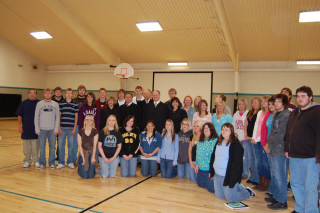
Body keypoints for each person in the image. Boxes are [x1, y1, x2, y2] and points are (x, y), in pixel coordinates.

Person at [285, 86, 320, 213]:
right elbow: (289, 132)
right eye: (298, 96)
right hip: (294, 156)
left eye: (303, 96)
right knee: (296, 185)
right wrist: (287, 148)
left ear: (310, 97)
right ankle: (300, 209)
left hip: (310, 158)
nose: (300, 99)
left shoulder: (316, 112)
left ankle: (311, 210)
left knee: (310, 187)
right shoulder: (294, 113)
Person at [209, 123, 255, 202]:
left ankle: (247, 192)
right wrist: (211, 171)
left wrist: (233, 180)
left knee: (231, 199)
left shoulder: (235, 145)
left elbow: (237, 166)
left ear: (231, 132)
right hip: (217, 174)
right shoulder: (218, 142)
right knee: (220, 196)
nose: (224, 131)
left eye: (226, 130)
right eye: (223, 129)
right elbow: (213, 157)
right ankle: (236, 187)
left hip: (228, 176)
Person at [265, 94, 290, 210]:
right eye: (275, 101)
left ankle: (282, 201)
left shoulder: (286, 115)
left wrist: (270, 145)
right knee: (275, 175)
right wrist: (268, 144)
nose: (276, 103)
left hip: (279, 149)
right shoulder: (277, 114)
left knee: (281, 176)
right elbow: (272, 132)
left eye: (279, 101)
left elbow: (280, 134)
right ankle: (276, 196)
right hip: (273, 148)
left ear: (284, 103)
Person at [34, 88, 60, 170]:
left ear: (51, 94)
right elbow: (36, 117)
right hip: (42, 129)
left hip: (52, 130)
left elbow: (57, 117)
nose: (48, 95)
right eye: (46, 93)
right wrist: (37, 129)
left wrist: (56, 129)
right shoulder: (39, 104)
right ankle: (42, 163)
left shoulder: (55, 104)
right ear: (44, 94)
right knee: (42, 147)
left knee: (52, 147)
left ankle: (52, 163)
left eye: (49, 93)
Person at [251, 95, 271, 191]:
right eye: (262, 101)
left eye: (265, 101)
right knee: (259, 162)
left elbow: (266, 130)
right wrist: (254, 138)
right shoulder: (259, 112)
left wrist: (258, 139)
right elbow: (256, 126)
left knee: (265, 163)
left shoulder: (270, 114)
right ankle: (261, 182)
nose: (263, 103)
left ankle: (267, 183)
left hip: (264, 141)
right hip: (256, 141)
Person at [16, 88, 40, 168]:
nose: (32, 94)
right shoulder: (23, 103)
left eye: (34, 93)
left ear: (36, 94)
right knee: (26, 148)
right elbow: (19, 115)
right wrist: (19, 126)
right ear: (28, 94)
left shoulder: (39, 103)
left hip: (36, 129)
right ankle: (27, 161)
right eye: (30, 93)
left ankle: (36, 161)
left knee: (35, 147)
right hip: (26, 129)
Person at [56, 88, 79, 169]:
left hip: (71, 129)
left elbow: (76, 117)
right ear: (65, 94)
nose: (69, 94)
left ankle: (70, 162)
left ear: (72, 94)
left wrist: (74, 128)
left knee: (71, 146)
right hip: (62, 128)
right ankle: (61, 162)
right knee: (61, 146)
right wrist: (58, 127)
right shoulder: (61, 103)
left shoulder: (75, 104)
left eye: (70, 93)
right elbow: (59, 116)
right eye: (67, 93)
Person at [195, 122, 218, 193]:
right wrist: (197, 164)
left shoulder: (215, 140)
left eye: (208, 128)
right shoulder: (200, 140)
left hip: (209, 170)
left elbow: (215, 157)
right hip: (201, 169)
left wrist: (212, 171)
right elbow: (197, 153)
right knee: (201, 185)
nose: (206, 129)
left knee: (211, 190)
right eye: (204, 128)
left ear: (212, 130)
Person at [261, 96, 277, 197]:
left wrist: (267, 144)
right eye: (269, 104)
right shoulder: (270, 115)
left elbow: (276, 133)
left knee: (277, 172)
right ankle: (273, 192)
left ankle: (278, 195)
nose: (270, 106)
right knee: (273, 171)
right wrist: (264, 144)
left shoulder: (279, 115)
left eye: (272, 104)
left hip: (275, 147)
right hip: (267, 145)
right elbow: (265, 130)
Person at [244, 97, 261, 185]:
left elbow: (259, 127)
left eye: (256, 103)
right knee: (250, 159)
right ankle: (252, 176)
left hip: (255, 140)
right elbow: (246, 124)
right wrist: (246, 135)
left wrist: (254, 137)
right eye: (253, 103)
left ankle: (257, 178)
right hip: (248, 139)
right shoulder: (249, 113)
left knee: (256, 160)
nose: (254, 104)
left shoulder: (260, 113)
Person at [232, 98, 249, 179]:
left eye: (242, 104)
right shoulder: (236, 114)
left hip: (244, 140)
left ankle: (245, 174)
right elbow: (234, 127)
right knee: (237, 157)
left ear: (245, 105)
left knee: (245, 158)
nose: (241, 106)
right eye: (239, 104)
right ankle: (238, 172)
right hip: (237, 139)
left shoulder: (248, 114)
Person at [73, 85, 87, 163]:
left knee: (85, 143)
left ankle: (83, 159)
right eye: (80, 90)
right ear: (78, 91)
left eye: (83, 90)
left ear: (85, 91)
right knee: (75, 143)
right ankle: (74, 160)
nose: (81, 91)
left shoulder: (87, 100)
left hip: (85, 125)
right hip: (77, 125)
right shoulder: (74, 100)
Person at [52, 86, 64, 161]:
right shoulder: (51, 101)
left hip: (61, 124)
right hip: (52, 124)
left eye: (59, 92)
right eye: (57, 91)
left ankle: (59, 156)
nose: (58, 93)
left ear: (61, 93)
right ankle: (52, 157)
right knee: (52, 142)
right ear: (54, 93)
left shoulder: (64, 101)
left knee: (60, 142)